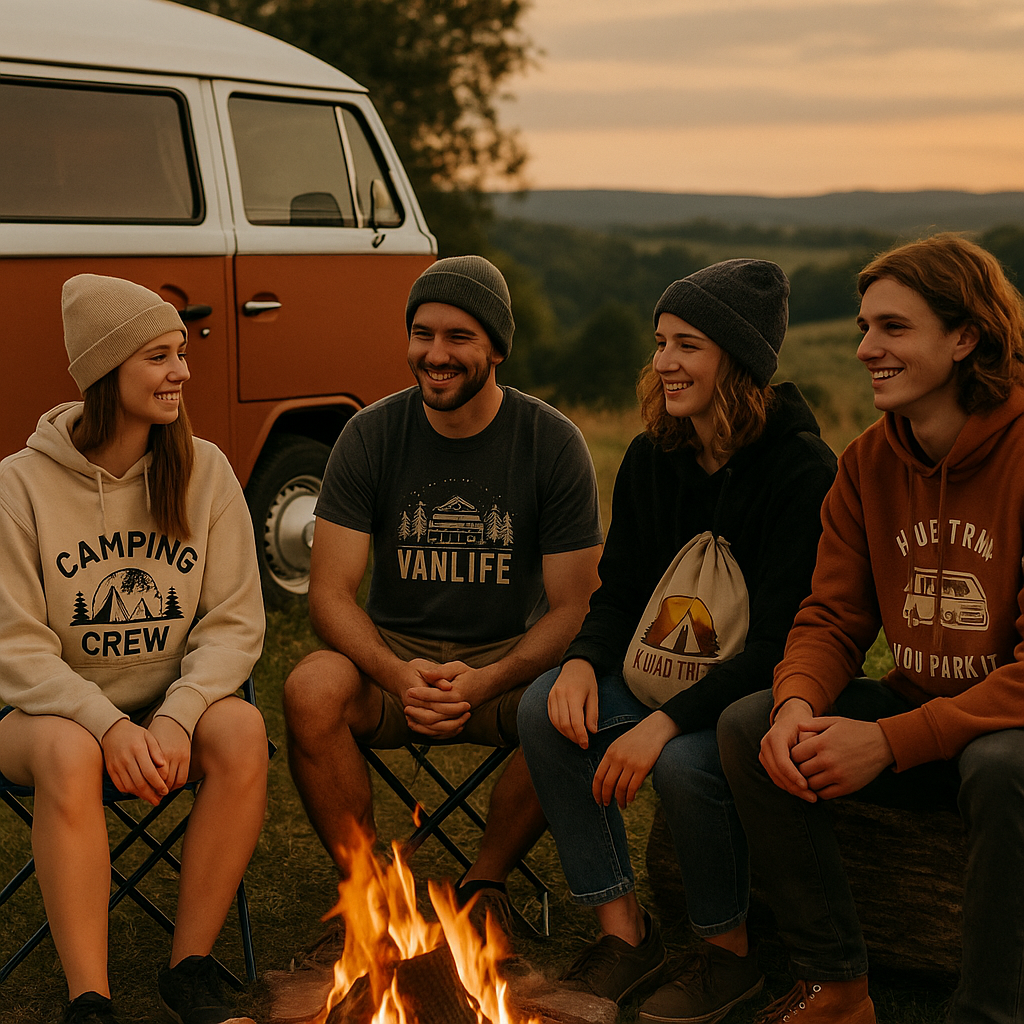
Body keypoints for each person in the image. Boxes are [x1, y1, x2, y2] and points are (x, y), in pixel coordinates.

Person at [517, 259, 837, 1020]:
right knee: (543, 710)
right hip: (655, 670)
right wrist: (582, 662)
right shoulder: (650, 458)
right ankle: (625, 934)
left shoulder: (802, 470)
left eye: (688, 345)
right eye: (660, 342)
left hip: (751, 690)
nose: (664, 362)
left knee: (688, 762)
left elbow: (779, 643)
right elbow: (621, 590)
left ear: (739, 360)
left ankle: (730, 958)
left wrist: (661, 725)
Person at [718, 234, 1024, 1023]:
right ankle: (837, 985)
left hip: (1006, 734)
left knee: (999, 765)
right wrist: (795, 704)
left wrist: (888, 742)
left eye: (893, 327)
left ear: (965, 337)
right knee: (750, 724)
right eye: (864, 327)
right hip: (924, 712)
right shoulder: (866, 464)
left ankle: (987, 1012)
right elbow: (832, 615)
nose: (865, 349)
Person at [283, 255, 603, 927]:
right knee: (311, 688)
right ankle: (368, 893)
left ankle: (486, 881)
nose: (435, 354)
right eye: (422, 334)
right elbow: (330, 595)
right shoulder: (370, 434)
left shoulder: (550, 442)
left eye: (459, 336)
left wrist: (487, 681)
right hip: (392, 661)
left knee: (571, 701)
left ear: (497, 347)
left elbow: (576, 607)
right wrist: (396, 673)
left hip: (506, 663)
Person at [0, 275, 268, 1024]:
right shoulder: (18, 486)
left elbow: (234, 621)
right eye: (158, 356)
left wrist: (178, 714)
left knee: (242, 729)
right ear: (104, 372)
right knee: (68, 752)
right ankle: (90, 1000)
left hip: (165, 714)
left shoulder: (205, 471)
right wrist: (105, 724)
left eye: (180, 352)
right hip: (46, 720)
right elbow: (14, 645)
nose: (181, 371)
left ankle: (189, 969)